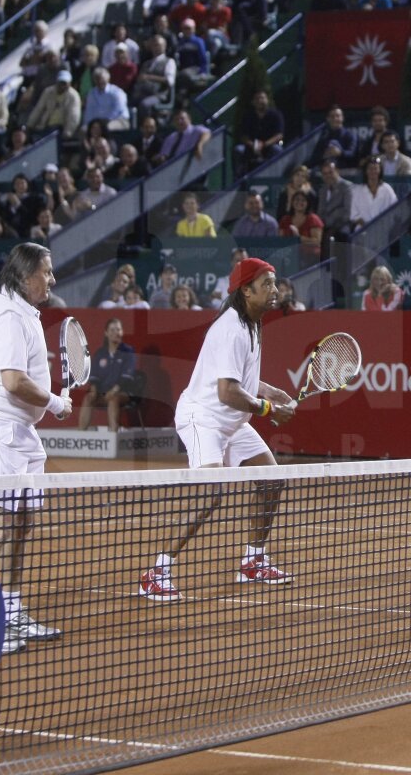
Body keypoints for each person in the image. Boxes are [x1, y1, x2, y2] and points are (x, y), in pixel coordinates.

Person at [138, 258, 297, 602]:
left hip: (231, 420)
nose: (275, 290)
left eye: (275, 283)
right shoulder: (231, 329)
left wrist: (269, 390)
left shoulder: (252, 323)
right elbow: (227, 391)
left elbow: (240, 379)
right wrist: (268, 408)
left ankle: (253, 560)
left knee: (272, 481)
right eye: (267, 284)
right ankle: (156, 571)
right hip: (204, 418)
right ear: (246, 290)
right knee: (209, 494)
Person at [0, 242, 70, 653]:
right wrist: (55, 401)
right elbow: (12, 381)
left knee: (21, 521)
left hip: (20, 431)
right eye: (46, 272)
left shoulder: (20, 309)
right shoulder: (8, 314)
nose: (51, 279)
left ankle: (9, 609)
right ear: (26, 274)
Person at [78, 318, 136, 431]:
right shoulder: (101, 353)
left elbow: (127, 377)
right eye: (112, 330)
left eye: (118, 330)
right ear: (106, 333)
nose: (116, 333)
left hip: (123, 393)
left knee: (113, 398)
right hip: (103, 393)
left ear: (122, 332)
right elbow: (94, 376)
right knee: (88, 397)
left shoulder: (128, 352)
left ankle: (112, 436)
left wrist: (114, 390)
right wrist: (94, 389)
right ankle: (81, 434)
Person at [234, 90, 284, 176]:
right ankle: (239, 179)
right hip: (251, 147)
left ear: (267, 100)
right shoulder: (248, 116)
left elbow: (279, 135)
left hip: (269, 146)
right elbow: (244, 136)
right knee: (238, 149)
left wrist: (264, 144)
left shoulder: (276, 114)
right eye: (257, 99)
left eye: (263, 98)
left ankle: (274, 177)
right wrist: (254, 145)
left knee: (277, 150)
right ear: (253, 102)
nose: (260, 101)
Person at [350, 158, 398, 230]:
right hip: (362, 231)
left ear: (380, 170)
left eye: (375, 168)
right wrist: (367, 226)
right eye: (370, 168)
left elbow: (394, 209)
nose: (373, 171)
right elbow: (353, 214)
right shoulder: (357, 191)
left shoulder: (387, 189)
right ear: (365, 171)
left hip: (383, 230)